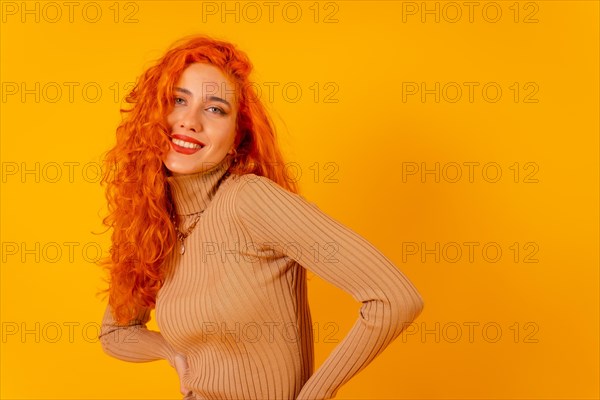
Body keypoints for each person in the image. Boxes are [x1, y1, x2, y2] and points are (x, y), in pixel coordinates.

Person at [97, 34, 425, 400]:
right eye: (178, 100)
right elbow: (116, 333)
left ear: (238, 134)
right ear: (153, 112)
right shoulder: (154, 222)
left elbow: (394, 297)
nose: (189, 121)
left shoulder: (250, 201)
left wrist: (315, 394)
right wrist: (172, 352)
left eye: (215, 108)